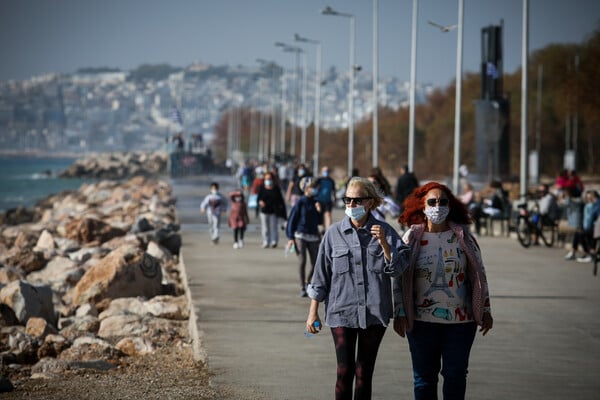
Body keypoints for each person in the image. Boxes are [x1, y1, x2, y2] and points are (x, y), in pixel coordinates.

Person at [305, 177, 410, 400]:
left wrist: (384, 245)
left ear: (370, 202)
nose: (351, 205)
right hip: (341, 312)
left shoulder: (386, 231)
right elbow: (320, 276)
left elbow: (398, 270)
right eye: (347, 200)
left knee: (364, 373)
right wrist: (312, 312)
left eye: (357, 200)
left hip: (374, 314)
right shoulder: (333, 234)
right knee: (344, 371)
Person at [393, 181, 493, 400]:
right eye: (432, 201)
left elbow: (479, 275)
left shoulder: (463, 237)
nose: (437, 206)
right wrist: (400, 311)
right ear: (422, 206)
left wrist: (485, 309)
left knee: (456, 375)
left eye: (443, 201)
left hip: (460, 324)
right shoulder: (411, 238)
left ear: (451, 205)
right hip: (420, 323)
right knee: (423, 379)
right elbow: (398, 279)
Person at [286, 177, 323, 297]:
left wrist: (319, 210)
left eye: (315, 187)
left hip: (313, 236)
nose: (315, 189)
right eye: (312, 187)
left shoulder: (316, 202)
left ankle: (308, 282)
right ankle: (302, 287)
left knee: (315, 262)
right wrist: (290, 237)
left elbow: (319, 221)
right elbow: (292, 219)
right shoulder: (300, 201)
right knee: (302, 261)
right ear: (306, 188)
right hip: (300, 235)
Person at [565, 190, 600, 262]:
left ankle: (590, 254)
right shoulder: (591, 204)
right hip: (593, 227)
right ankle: (579, 252)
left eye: (589, 197)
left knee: (582, 234)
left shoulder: (597, 205)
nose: (588, 198)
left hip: (596, 227)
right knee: (579, 234)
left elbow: (594, 217)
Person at [257, 172, 287, 248]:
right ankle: (266, 241)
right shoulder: (262, 188)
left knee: (273, 227)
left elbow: (281, 201)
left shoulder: (276, 188)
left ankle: (274, 241)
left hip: (274, 211)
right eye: (266, 179)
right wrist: (260, 202)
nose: (268, 180)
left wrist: (283, 212)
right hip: (264, 211)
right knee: (265, 228)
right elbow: (258, 198)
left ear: (273, 179)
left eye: (269, 179)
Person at [315, 166, 337, 230]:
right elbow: (315, 189)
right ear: (322, 172)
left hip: (328, 201)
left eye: (327, 171)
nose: (326, 172)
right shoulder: (319, 180)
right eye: (324, 171)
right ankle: (323, 228)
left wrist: (334, 199)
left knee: (328, 215)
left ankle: (329, 229)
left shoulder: (331, 181)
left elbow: (334, 191)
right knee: (321, 216)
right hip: (319, 201)